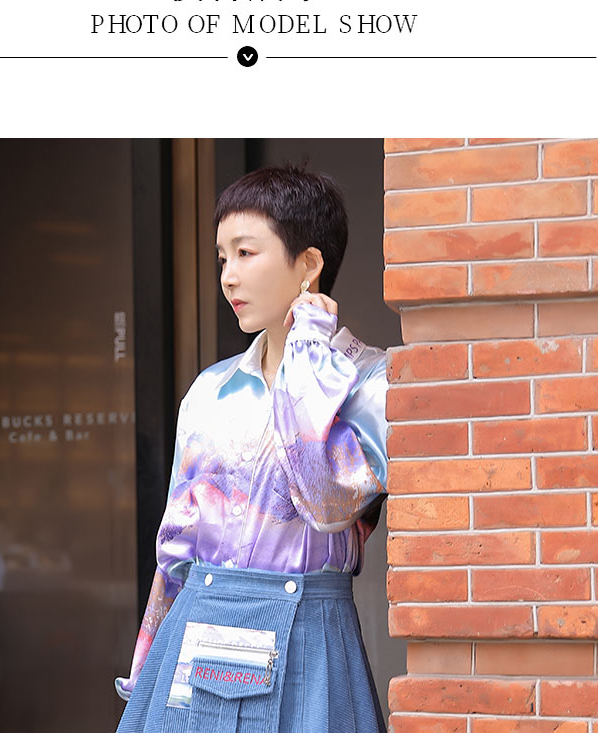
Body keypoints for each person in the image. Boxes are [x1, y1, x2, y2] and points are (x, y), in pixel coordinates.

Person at [115, 164, 389, 732]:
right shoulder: (210, 391)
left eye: (245, 253)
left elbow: (326, 503)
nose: (228, 277)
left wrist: (307, 352)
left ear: (308, 264)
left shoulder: (369, 382)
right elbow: (175, 548)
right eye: (222, 258)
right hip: (198, 635)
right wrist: (149, 667)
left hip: (309, 636)